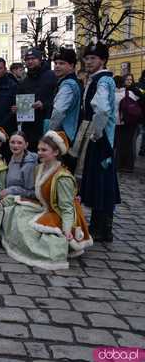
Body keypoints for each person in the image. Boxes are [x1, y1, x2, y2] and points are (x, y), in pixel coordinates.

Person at [1, 131, 93, 270]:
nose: (39, 153)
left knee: (28, 230)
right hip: (44, 208)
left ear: (56, 152)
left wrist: (67, 229)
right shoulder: (39, 168)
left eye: (44, 150)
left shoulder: (63, 177)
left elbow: (67, 208)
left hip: (59, 214)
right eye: (38, 149)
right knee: (15, 211)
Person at [78, 41, 121, 242]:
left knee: (102, 180)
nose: (88, 61)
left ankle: (103, 228)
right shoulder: (97, 79)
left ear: (103, 60)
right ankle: (99, 225)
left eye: (93, 58)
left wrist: (96, 133)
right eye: (87, 58)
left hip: (102, 138)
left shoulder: (103, 81)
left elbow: (102, 110)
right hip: (101, 136)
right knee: (99, 179)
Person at [15, 48, 58, 151]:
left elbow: (57, 99)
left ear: (40, 59)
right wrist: (16, 108)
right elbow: (20, 100)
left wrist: (44, 105)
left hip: (46, 125)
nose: (30, 61)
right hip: (29, 128)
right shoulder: (25, 81)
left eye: (33, 58)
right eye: (27, 59)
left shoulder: (51, 76)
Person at [49, 47, 82, 172]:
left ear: (72, 65)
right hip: (69, 133)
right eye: (56, 63)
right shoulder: (69, 82)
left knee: (61, 172)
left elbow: (58, 111)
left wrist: (50, 132)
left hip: (64, 134)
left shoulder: (68, 84)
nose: (57, 66)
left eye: (62, 63)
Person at [115, 74, 142, 173]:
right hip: (127, 121)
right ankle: (127, 165)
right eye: (127, 80)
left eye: (131, 79)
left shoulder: (134, 91)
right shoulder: (129, 93)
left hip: (123, 122)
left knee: (122, 144)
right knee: (127, 144)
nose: (130, 81)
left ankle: (121, 164)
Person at [0, 131, 38, 199]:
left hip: (24, 202)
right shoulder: (12, 158)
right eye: (12, 142)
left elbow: (33, 193)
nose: (15, 145)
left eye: (19, 143)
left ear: (26, 145)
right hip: (9, 198)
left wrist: (12, 190)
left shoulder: (29, 164)